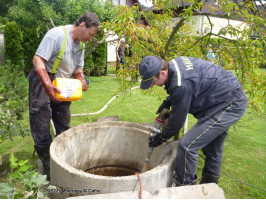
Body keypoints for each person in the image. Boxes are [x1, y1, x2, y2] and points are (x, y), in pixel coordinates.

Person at [139, 56, 248, 186]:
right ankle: (208, 187)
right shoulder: (173, 65)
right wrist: (168, 101)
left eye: (152, 81)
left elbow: (177, 120)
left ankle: (185, 188)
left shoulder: (180, 84)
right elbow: (190, 84)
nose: (153, 85)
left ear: (162, 73)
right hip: (222, 97)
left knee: (187, 146)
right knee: (212, 148)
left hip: (229, 104)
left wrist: (162, 137)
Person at [27, 12, 100, 180]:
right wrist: (47, 85)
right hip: (42, 80)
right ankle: (49, 166)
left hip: (62, 83)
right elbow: (38, 60)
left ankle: (62, 160)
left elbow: (78, 68)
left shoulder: (80, 44)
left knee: (63, 122)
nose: (90, 39)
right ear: (82, 25)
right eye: (90, 35)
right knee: (42, 124)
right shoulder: (57, 35)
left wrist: (80, 78)